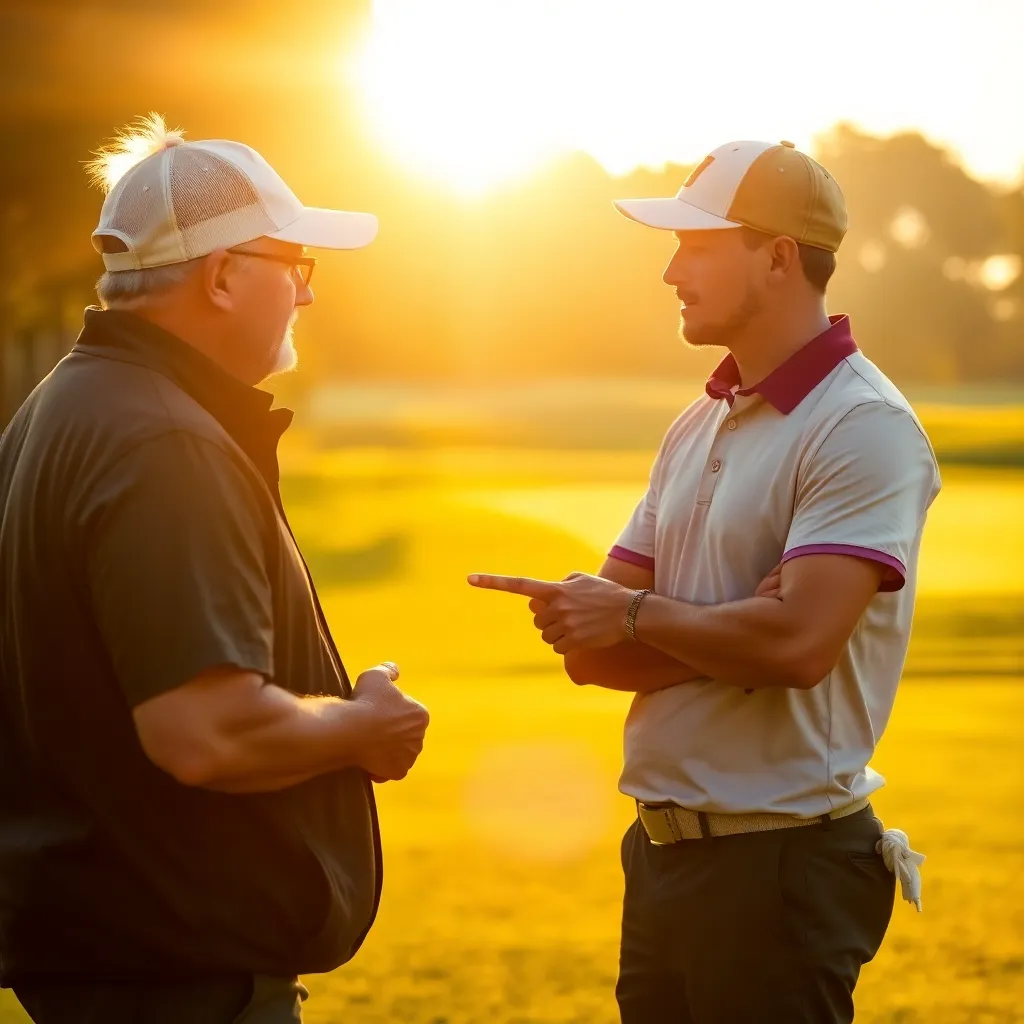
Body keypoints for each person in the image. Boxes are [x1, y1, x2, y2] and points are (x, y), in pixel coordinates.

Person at [469, 139, 937, 1024]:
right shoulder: (698, 422)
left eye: (696, 244)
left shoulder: (863, 426)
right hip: (661, 857)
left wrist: (642, 615)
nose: (669, 270)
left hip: (782, 868)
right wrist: (721, 629)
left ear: (776, 257)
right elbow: (594, 657)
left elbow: (798, 648)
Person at [0, 114, 429, 1024]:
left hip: (106, 966)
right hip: (177, 982)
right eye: (294, 268)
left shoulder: (58, 408)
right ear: (224, 276)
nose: (306, 297)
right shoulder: (162, 439)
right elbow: (207, 731)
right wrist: (362, 729)